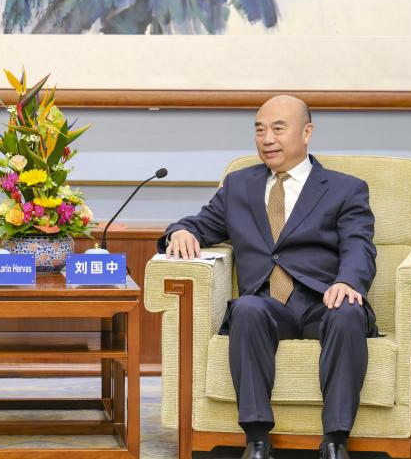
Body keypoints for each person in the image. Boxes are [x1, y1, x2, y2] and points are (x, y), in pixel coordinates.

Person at [159, 95, 376, 459]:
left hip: (324, 299)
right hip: (267, 305)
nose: (267, 139)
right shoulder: (238, 185)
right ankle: (257, 440)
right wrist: (179, 231)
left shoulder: (345, 188)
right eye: (259, 130)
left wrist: (348, 282)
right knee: (245, 309)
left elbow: (360, 245)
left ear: (307, 132)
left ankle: (335, 441)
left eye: (278, 129)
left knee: (349, 312)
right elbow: (201, 224)